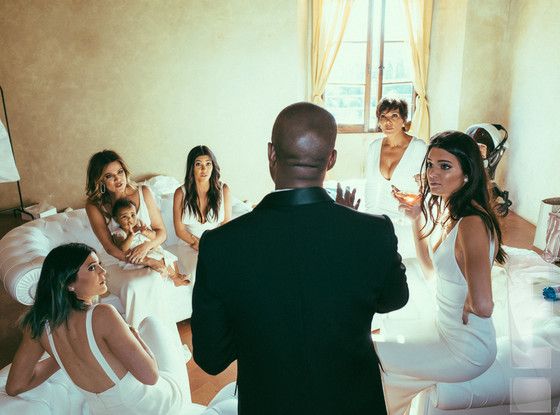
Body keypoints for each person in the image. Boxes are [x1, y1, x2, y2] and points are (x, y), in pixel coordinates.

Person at [191, 102, 409, 415]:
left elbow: (211, 359)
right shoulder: (373, 232)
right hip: (355, 403)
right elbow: (395, 298)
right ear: (331, 159)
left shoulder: (221, 245)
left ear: (271, 154)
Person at [376, 131, 507, 415]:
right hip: (446, 331)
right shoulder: (455, 213)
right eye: (430, 165)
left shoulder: (472, 223)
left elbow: (484, 306)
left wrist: (470, 302)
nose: (433, 174)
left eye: (445, 166)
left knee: (372, 354)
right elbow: (430, 271)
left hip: (466, 350)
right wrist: (416, 218)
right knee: (389, 371)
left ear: (468, 174)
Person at [5, 243, 194, 414]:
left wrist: (62, 355)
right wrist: (136, 337)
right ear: (69, 283)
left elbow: (15, 386)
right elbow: (151, 377)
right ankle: (185, 408)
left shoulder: (37, 326)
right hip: (151, 408)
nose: (103, 272)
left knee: (148, 328)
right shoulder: (102, 314)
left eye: (99, 264)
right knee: (151, 324)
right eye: (92, 267)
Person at [85, 150, 174, 327]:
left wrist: (146, 248)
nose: (118, 179)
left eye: (119, 172)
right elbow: (110, 248)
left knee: (152, 280)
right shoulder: (95, 206)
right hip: (115, 260)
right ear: (100, 181)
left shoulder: (143, 192)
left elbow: (161, 232)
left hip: (148, 251)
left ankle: (159, 340)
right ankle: (135, 343)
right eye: (109, 176)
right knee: (134, 286)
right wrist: (148, 261)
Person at [364, 96, 427, 257]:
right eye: (383, 117)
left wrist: (424, 184)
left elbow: (430, 189)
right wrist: (370, 219)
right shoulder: (374, 147)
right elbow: (370, 187)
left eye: (394, 116)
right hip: (380, 218)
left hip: (407, 219)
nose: (388, 122)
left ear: (404, 120)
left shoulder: (419, 148)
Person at [173, 145, 231, 277]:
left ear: (213, 166)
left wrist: (213, 245)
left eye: (208, 164)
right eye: (198, 164)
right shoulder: (180, 193)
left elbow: (226, 226)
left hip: (215, 243)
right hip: (189, 244)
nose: (204, 169)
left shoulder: (224, 190)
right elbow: (179, 230)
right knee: (199, 270)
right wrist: (198, 244)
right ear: (192, 168)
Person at [111, 198, 190, 286]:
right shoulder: (118, 233)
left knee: (169, 256)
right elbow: (123, 247)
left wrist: (146, 232)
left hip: (149, 250)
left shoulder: (139, 224)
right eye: (124, 217)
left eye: (132, 215)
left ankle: (177, 274)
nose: (130, 219)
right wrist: (131, 235)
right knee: (158, 259)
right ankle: (175, 277)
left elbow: (154, 236)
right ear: (116, 219)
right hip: (136, 257)